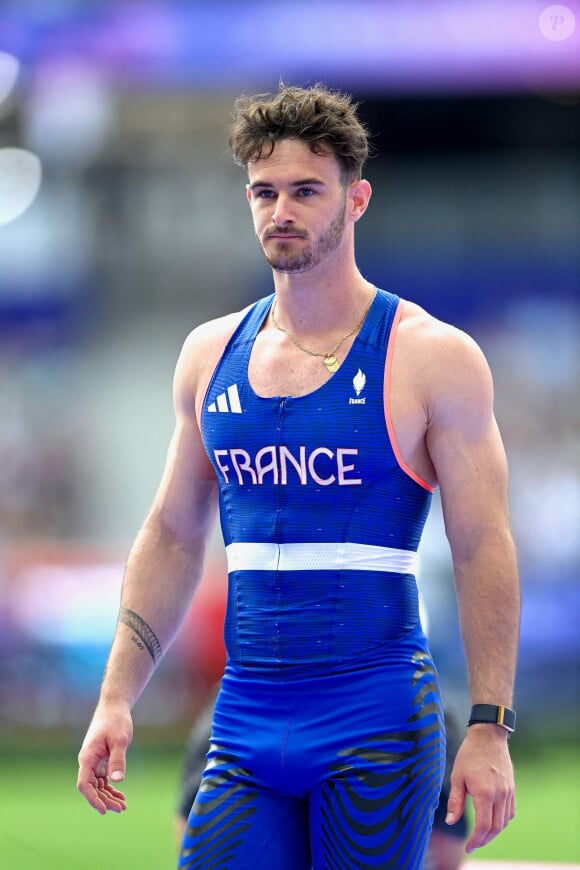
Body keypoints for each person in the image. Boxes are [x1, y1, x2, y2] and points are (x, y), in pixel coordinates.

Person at [77, 83, 520, 869]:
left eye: (306, 191)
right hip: (246, 718)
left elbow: (484, 543)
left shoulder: (430, 356)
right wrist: (116, 696)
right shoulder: (210, 354)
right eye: (264, 192)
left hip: (378, 718)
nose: (281, 210)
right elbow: (174, 534)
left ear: (357, 199)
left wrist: (488, 725)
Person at [174, 685, 469, 869]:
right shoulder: (230, 710)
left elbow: (446, 853)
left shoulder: (428, 713)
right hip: (257, 710)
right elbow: (192, 834)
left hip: (389, 704)